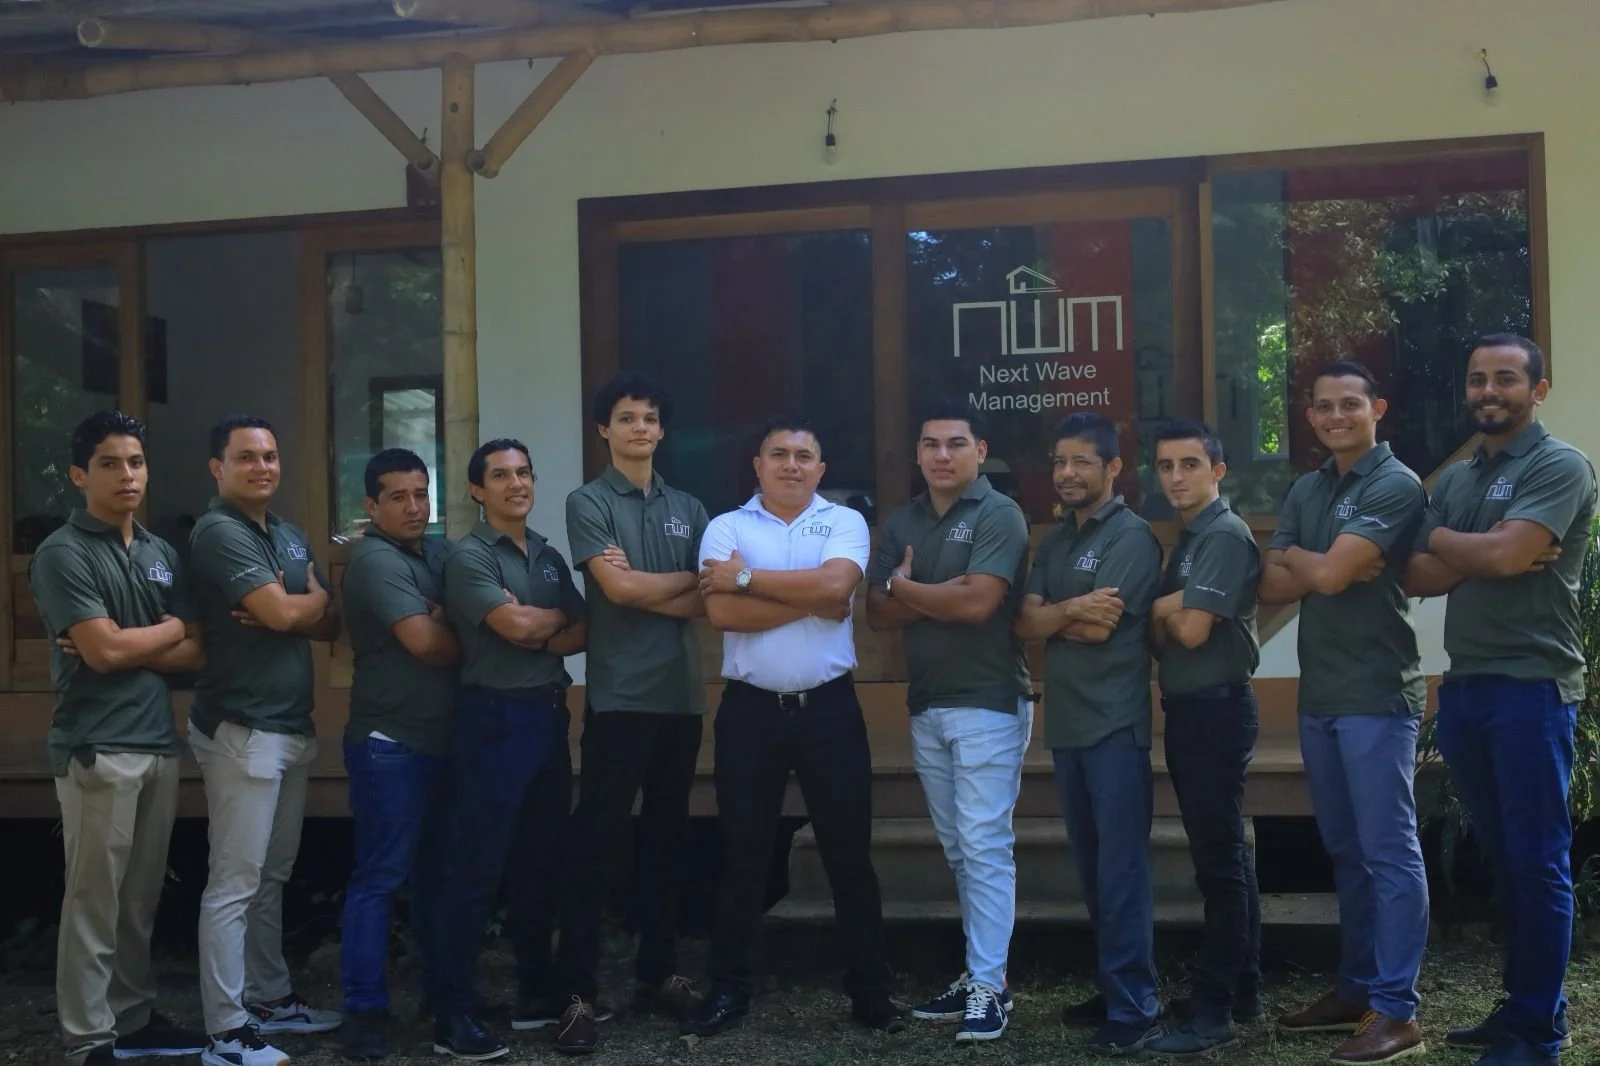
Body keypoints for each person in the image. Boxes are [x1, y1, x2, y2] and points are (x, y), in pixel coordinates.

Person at [678, 417, 904, 1039]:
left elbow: (838, 593)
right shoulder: (726, 526)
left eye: (804, 456)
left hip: (829, 710)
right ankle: (729, 991)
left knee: (849, 857)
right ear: (758, 464)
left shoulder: (844, 522)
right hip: (750, 712)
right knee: (743, 855)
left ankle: (870, 992)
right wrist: (804, 597)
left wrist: (748, 580)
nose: (791, 465)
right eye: (778, 454)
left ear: (821, 469)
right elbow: (721, 612)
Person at [1405, 335, 1594, 1066]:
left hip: (1533, 688)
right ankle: (1525, 1003)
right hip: (1469, 686)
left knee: (1538, 857)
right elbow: (1419, 576)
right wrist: (1480, 546)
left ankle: (1537, 1031)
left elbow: (1509, 557)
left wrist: (1468, 548)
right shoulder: (1459, 477)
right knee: (1506, 857)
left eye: (1507, 379)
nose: (1489, 390)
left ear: (1537, 390)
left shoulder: (1558, 464)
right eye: (1478, 379)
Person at [1258, 362, 1429, 1063]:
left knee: (1389, 853)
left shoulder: (1394, 482)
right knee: (1346, 851)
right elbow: (1270, 584)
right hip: (1321, 694)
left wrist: (1305, 560)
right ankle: (1356, 990)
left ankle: (1398, 1011)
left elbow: (1316, 576)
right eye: (1324, 406)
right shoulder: (1308, 486)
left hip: (1377, 694)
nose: (1336, 416)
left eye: (1350, 404)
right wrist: (1315, 560)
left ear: (1376, 408)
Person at [29, 411, 208, 1066]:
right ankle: (88, 1038)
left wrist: (130, 641)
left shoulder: (161, 553)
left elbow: (195, 651)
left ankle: (131, 1020)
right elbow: (103, 655)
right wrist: (156, 635)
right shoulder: (62, 553)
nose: (126, 474)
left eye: (135, 461)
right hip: (98, 746)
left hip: (157, 739)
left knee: (138, 899)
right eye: (109, 463)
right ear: (80, 475)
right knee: (94, 901)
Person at [551, 374, 709, 1053]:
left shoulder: (691, 507)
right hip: (618, 698)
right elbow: (612, 590)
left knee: (667, 843)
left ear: (662, 430)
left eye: (649, 417)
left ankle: (659, 974)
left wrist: (646, 588)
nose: (640, 427)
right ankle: (577, 994)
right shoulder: (587, 502)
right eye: (626, 417)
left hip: (680, 697)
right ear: (604, 430)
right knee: (597, 846)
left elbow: (711, 596)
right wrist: (659, 587)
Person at [864, 400, 1031, 1043]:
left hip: (987, 700)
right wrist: (938, 593)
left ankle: (990, 989)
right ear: (917, 453)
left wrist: (908, 588)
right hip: (927, 702)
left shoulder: (999, 513)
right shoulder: (903, 518)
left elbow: (979, 604)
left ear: (980, 452)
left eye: (956, 443)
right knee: (962, 849)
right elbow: (876, 614)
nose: (941, 455)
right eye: (930, 444)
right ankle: (981, 973)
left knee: (985, 845)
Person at [188, 415, 343, 1066]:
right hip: (243, 727)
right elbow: (289, 612)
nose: (262, 467)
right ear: (217, 468)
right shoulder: (218, 530)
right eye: (246, 457)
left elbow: (329, 617)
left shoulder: (284, 532)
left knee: (271, 875)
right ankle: (226, 1034)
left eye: (271, 456)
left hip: (290, 726)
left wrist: (290, 605)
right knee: (234, 882)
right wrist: (290, 605)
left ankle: (270, 998)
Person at [431, 439, 587, 1060]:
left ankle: (534, 994)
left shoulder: (546, 554)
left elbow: (583, 628)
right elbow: (517, 626)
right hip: (493, 720)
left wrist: (536, 622)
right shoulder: (467, 558)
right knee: (476, 869)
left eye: (523, 472)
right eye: (499, 475)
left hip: (549, 717)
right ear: (477, 490)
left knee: (539, 864)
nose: (515, 483)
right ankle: (452, 1014)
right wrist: (540, 623)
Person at [1015, 412, 1163, 1056]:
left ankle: (1135, 1007)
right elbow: (1024, 621)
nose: (1067, 473)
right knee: (1092, 867)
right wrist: (1068, 610)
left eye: (1081, 462)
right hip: (1069, 725)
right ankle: (1112, 987)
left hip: (1114, 724)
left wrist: (1057, 616)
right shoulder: (1054, 539)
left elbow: (1101, 629)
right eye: (1059, 461)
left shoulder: (1130, 536)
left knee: (1121, 870)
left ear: (1112, 468)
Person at [1142, 420, 1262, 1058]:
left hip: (1217, 710)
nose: (1177, 477)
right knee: (1226, 856)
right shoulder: (1186, 540)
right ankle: (1242, 985)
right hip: (1189, 709)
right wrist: (1171, 607)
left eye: (1190, 464)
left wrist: (1157, 606)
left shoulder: (1223, 533)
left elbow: (1185, 633)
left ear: (1218, 470)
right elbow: (1166, 634)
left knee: (1218, 862)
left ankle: (1213, 1009)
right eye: (1165, 466)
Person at [337, 449, 460, 1060]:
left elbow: (467, 615)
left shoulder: (437, 553)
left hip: (444, 741)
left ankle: (443, 997)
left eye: (421, 494)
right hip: (391, 744)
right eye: (399, 497)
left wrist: (454, 617)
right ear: (371, 506)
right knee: (380, 879)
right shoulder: (373, 562)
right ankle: (364, 1011)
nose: (415, 507)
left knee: (440, 877)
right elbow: (428, 644)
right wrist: (461, 623)